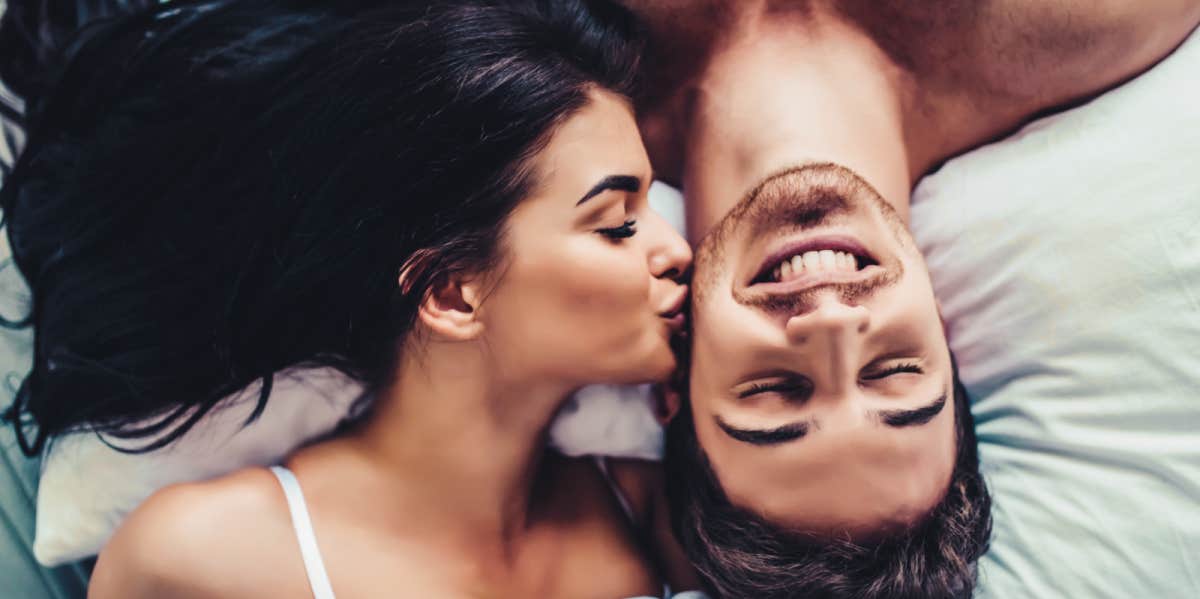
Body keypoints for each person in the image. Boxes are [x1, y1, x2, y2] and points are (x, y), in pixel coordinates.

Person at [1, 1, 704, 597]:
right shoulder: (201, 557)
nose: (676, 249)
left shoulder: (649, 515)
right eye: (618, 225)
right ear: (452, 293)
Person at [617, 1, 1200, 597]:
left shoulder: (559, 83)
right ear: (943, 334)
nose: (832, 321)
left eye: (773, 388)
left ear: (675, 378)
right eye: (894, 370)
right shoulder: (1090, 23)